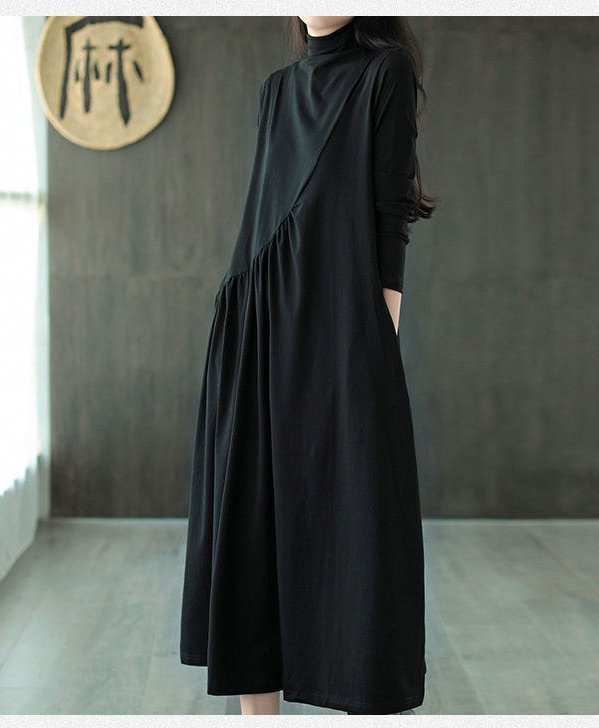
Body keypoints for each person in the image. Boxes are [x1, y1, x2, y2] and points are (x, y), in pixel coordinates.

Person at [180, 15, 439, 716]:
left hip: (339, 321)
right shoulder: (274, 90)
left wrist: (379, 332)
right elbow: (263, 207)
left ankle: (355, 691)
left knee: (357, 522)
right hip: (256, 320)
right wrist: (238, 319)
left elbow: (389, 212)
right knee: (250, 518)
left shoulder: (383, 72)